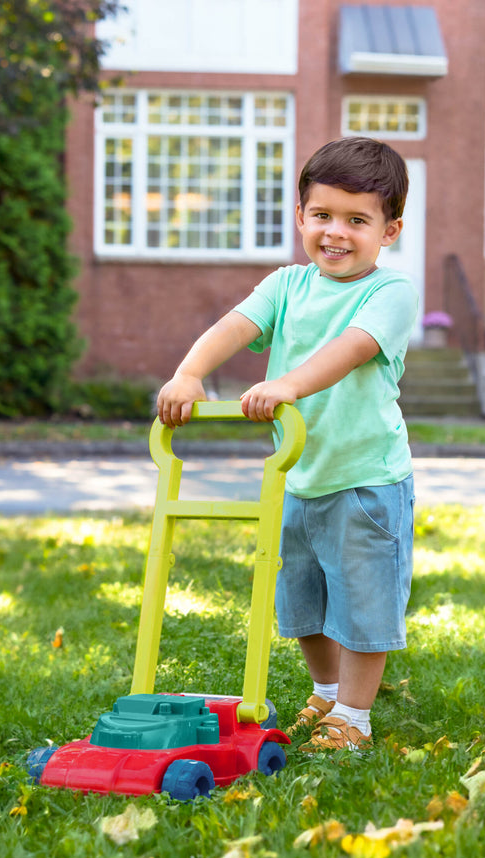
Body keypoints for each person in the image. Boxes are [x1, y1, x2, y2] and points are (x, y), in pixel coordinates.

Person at [156, 136, 417, 751]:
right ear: (301, 216)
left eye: (358, 221)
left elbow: (348, 350)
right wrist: (190, 373)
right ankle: (326, 694)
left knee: (362, 604)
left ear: (390, 230)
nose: (336, 233)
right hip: (295, 476)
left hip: (365, 479)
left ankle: (353, 716)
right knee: (300, 599)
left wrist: (286, 386)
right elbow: (234, 327)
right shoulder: (286, 286)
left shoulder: (389, 293)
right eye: (323, 216)